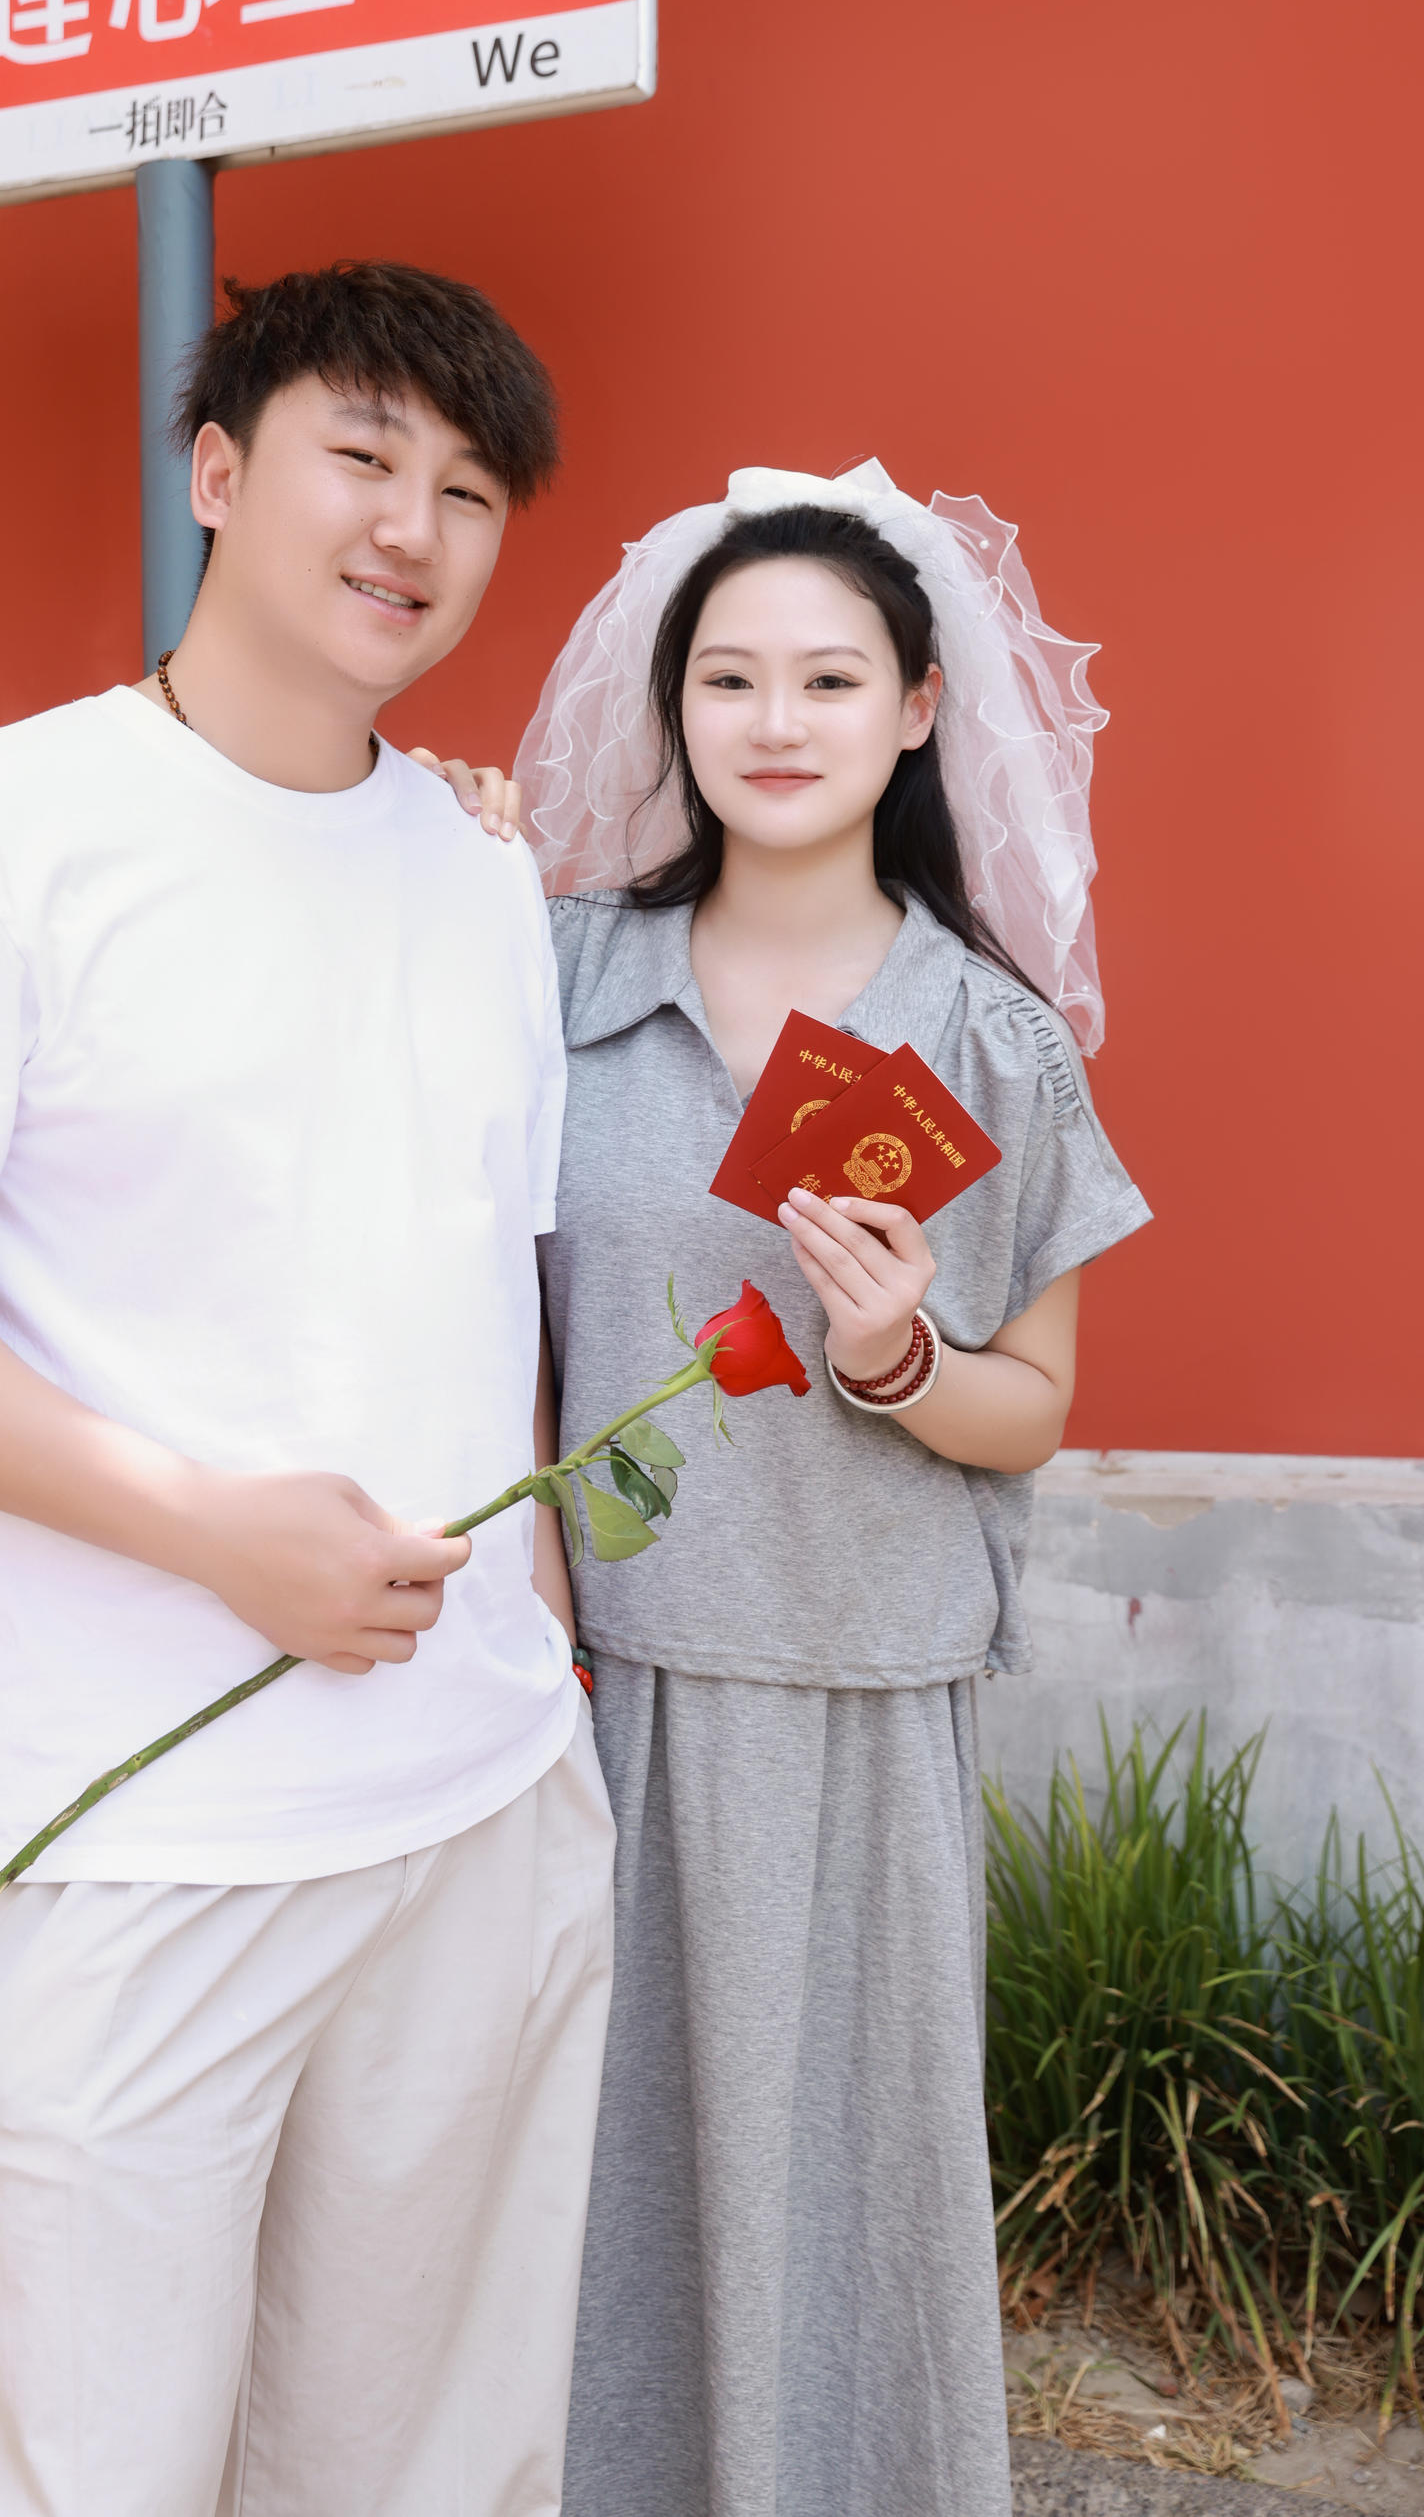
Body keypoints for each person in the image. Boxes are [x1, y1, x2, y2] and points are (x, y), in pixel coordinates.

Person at [0, 262, 615, 2517]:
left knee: (430, 2476)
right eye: (362, 456)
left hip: (482, 1808)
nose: (413, 526)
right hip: (140, 1835)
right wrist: (209, 1529)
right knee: (90, 2475)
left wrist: (546, 1670)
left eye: (470, 490)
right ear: (217, 473)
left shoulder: (485, 877)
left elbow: (476, 1298)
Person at [417, 462, 1151, 2517]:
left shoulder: (992, 1043)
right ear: (673, 710)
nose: (775, 719)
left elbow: (1036, 1409)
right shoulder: (556, 971)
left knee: (849, 2204)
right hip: (588, 1689)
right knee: (569, 2199)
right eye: (728, 677)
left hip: (861, 1698)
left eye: (829, 679)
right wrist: (430, 853)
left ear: (918, 709)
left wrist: (902, 1352)